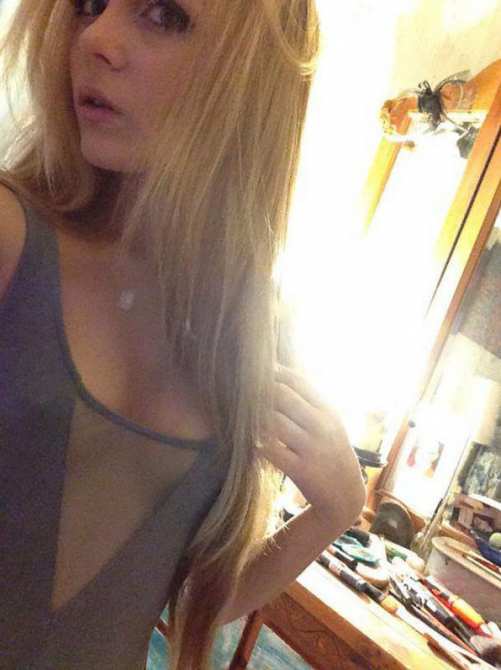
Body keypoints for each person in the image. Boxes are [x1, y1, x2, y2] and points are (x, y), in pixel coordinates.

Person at [0, 0, 366, 667]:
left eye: (164, 15)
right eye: (88, 5)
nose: (95, 38)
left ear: (254, 81)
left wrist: (334, 510)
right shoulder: (11, 239)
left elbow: (177, 605)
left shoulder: (244, 336)